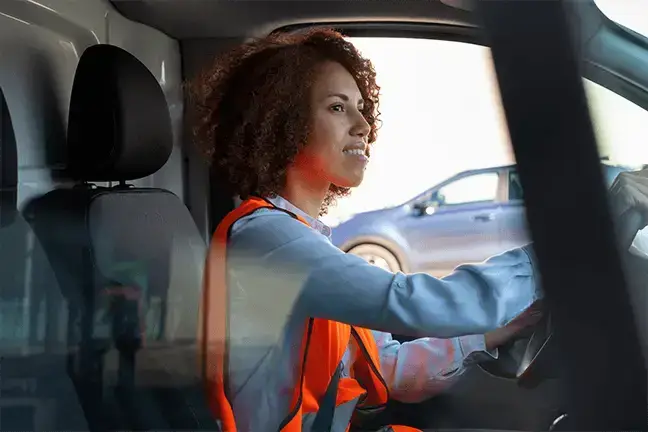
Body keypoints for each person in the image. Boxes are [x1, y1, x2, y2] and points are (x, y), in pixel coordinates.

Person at [190, 28, 648, 432]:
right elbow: (411, 303)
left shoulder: (302, 239)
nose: (363, 125)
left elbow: (388, 368)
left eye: (361, 108)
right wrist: (563, 247)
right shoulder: (266, 239)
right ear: (282, 123)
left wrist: (492, 335)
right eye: (337, 107)